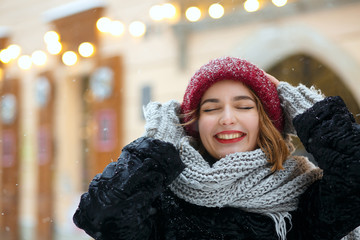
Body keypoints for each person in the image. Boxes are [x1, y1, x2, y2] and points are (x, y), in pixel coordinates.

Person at [73, 57, 360, 240]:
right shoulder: (161, 201)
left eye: (244, 106)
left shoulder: (304, 200)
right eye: (211, 109)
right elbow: (101, 216)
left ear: (267, 122)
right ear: (193, 125)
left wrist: (299, 104)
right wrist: (160, 140)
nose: (227, 118)